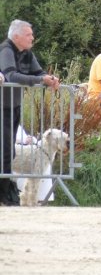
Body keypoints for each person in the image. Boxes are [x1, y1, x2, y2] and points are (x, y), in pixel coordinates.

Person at [0, 19, 60, 206]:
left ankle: (6, 191)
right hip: (2, 107)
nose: (32, 38)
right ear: (16, 36)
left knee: (9, 151)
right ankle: (4, 192)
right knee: (4, 150)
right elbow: (11, 76)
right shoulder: (6, 50)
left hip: (14, 106)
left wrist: (49, 78)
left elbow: (38, 72)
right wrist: (40, 81)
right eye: (29, 35)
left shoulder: (27, 53)